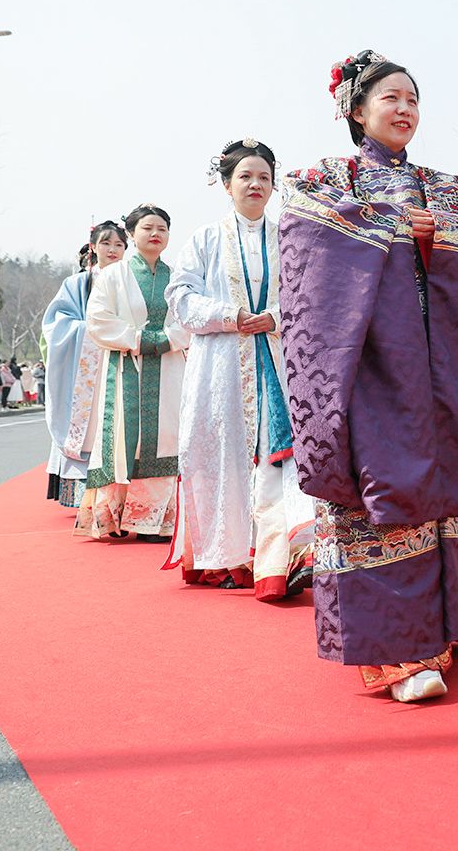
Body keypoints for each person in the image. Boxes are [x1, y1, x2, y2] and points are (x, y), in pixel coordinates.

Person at [279, 51, 458, 702]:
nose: (404, 110)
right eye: (390, 98)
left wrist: (442, 235)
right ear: (355, 110)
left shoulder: (445, 187)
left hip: (444, 369)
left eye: (413, 100)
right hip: (370, 369)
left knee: (448, 488)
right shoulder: (324, 180)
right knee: (383, 492)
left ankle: (454, 624)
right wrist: (397, 231)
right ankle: (399, 652)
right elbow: (309, 253)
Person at [165, 139, 317, 598]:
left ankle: (280, 560)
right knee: (222, 458)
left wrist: (274, 316)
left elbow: (309, 294)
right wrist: (229, 315)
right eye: (245, 176)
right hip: (221, 368)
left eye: (264, 177)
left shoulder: (290, 237)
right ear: (226, 184)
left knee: (280, 458)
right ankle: (226, 557)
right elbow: (181, 297)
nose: (255, 184)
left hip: (279, 362)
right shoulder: (205, 239)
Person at [77, 206, 189, 542]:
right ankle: (116, 515)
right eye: (147, 227)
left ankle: (154, 519)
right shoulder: (112, 275)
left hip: (169, 367)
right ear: (132, 234)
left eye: (162, 229)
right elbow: (98, 320)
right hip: (126, 365)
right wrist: (139, 339)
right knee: (124, 439)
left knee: (167, 436)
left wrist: (168, 338)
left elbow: (189, 319)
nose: (155, 234)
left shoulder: (178, 277)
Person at [43, 222, 127, 507]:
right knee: (87, 427)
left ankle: (118, 499)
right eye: (106, 243)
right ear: (93, 247)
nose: (112, 249)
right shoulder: (77, 283)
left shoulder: (130, 281)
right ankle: (83, 497)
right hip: (85, 367)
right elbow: (56, 324)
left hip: (121, 361)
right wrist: (94, 332)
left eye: (119, 244)